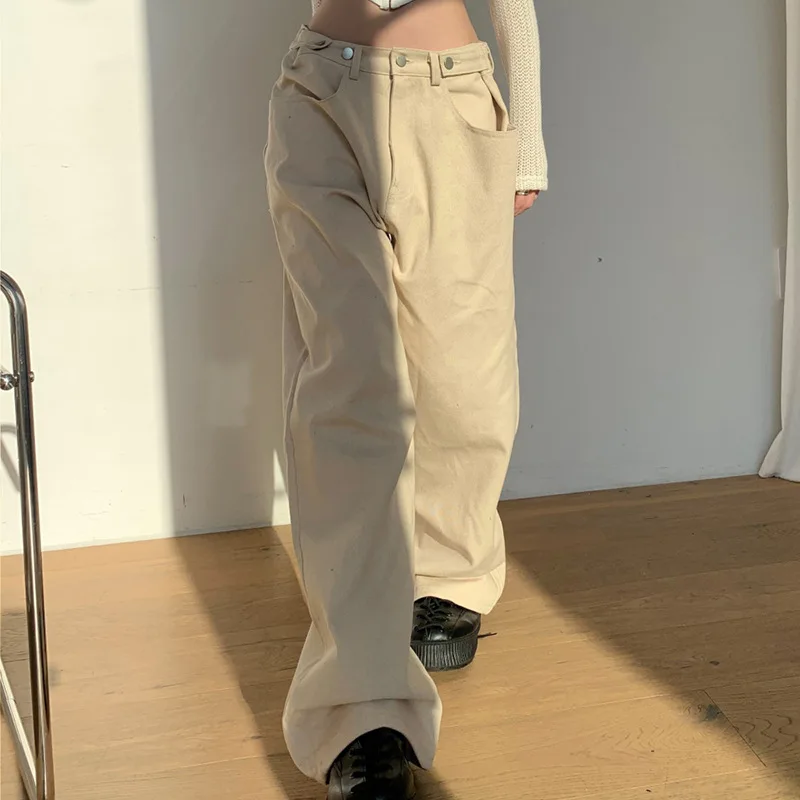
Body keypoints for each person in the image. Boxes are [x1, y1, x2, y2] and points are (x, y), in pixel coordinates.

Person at [264, 0, 547, 797]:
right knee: (349, 386)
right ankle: (361, 709)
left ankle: (449, 573)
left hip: (451, 97)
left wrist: (529, 138)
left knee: (464, 372)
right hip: (323, 92)